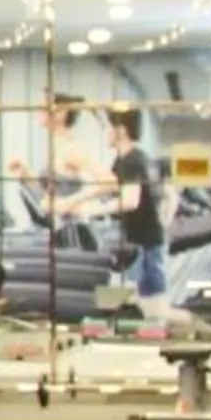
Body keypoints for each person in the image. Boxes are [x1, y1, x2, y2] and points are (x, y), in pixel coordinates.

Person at [68, 105, 168, 310]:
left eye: (107, 127)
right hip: (143, 239)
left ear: (120, 130)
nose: (105, 132)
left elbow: (130, 200)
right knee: (141, 304)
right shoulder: (129, 159)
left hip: (143, 245)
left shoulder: (132, 161)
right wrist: (77, 199)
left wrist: (92, 210)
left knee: (146, 307)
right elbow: (109, 191)